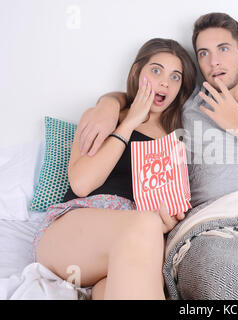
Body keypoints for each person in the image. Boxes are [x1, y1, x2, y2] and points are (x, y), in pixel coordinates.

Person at [79, 13, 238, 210]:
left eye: (223, 49)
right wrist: (108, 104)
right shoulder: (187, 102)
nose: (214, 62)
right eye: (203, 53)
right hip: (214, 222)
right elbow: (150, 94)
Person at [33, 38, 197, 300]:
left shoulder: (175, 140)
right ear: (136, 72)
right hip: (72, 232)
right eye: (156, 70)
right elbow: (82, 183)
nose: (165, 82)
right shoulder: (104, 117)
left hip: (127, 250)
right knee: (145, 224)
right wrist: (129, 122)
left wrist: (168, 217)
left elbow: (164, 210)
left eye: (175, 77)